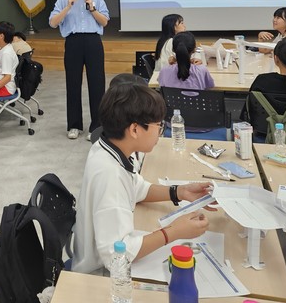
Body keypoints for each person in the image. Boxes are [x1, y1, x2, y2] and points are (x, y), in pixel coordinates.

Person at [72, 83, 211, 273]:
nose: (160, 133)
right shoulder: (110, 175)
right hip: (98, 274)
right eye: (158, 126)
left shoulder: (110, 148)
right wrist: (174, 232)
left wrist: (179, 191)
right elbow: (116, 256)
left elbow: (137, 188)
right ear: (135, 130)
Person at [48, 0, 110, 140]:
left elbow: (104, 21)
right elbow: (53, 23)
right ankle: (74, 125)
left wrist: (92, 8)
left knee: (97, 84)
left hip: (93, 41)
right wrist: (68, 7)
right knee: (73, 83)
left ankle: (96, 126)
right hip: (73, 42)